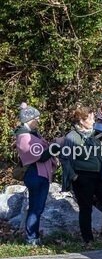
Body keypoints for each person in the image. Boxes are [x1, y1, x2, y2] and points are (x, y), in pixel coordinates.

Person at [62, 107, 102, 245]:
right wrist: (74, 177)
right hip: (82, 178)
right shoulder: (71, 137)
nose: (94, 120)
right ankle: (88, 240)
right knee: (85, 209)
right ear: (81, 121)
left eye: (93, 117)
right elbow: (65, 159)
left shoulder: (98, 134)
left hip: (101, 176)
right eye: (90, 118)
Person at [11, 103, 56, 245]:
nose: (38, 121)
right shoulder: (24, 137)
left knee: (38, 207)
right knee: (36, 207)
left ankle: (34, 236)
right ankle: (31, 238)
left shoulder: (33, 134)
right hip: (35, 174)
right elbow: (40, 155)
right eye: (37, 118)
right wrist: (55, 147)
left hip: (41, 174)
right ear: (30, 119)